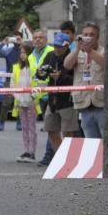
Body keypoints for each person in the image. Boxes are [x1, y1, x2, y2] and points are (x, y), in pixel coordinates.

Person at [37, 32, 78, 166]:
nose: (57, 49)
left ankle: (70, 161)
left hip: (67, 101)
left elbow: (76, 80)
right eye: (55, 46)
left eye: (60, 47)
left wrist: (59, 77)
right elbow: (41, 73)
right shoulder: (50, 56)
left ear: (67, 46)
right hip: (52, 99)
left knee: (68, 132)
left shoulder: (71, 58)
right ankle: (61, 159)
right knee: (50, 128)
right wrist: (41, 73)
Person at [64, 20, 105, 138]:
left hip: (101, 104)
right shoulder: (77, 52)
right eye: (85, 35)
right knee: (91, 141)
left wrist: (89, 51)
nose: (87, 37)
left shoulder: (104, 51)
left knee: (106, 141)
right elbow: (67, 65)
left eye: (91, 35)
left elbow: (105, 63)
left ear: (97, 38)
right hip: (84, 104)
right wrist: (77, 48)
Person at [11, 44, 43, 162]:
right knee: (24, 127)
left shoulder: (34, 67)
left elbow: (39, 82)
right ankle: (26, 150)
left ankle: (32, 152)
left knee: (32, 127)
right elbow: (13, 84)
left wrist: (32, 96)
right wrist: (17, 96)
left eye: (25, 53)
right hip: (20, 102)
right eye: (21, 53)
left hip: (31, 102)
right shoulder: (16, 67)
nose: (22, 55)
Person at [0, 35, 22, 131]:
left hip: (22, 78)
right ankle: (1, 122)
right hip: (9, 79)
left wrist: (22, 44)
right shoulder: (8, 50)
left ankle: (19, 122)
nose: (16, 41)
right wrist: (3, 43)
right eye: (15, 39)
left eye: (18, 39)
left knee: (20, 102)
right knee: (6, 103)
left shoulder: (24, 50)